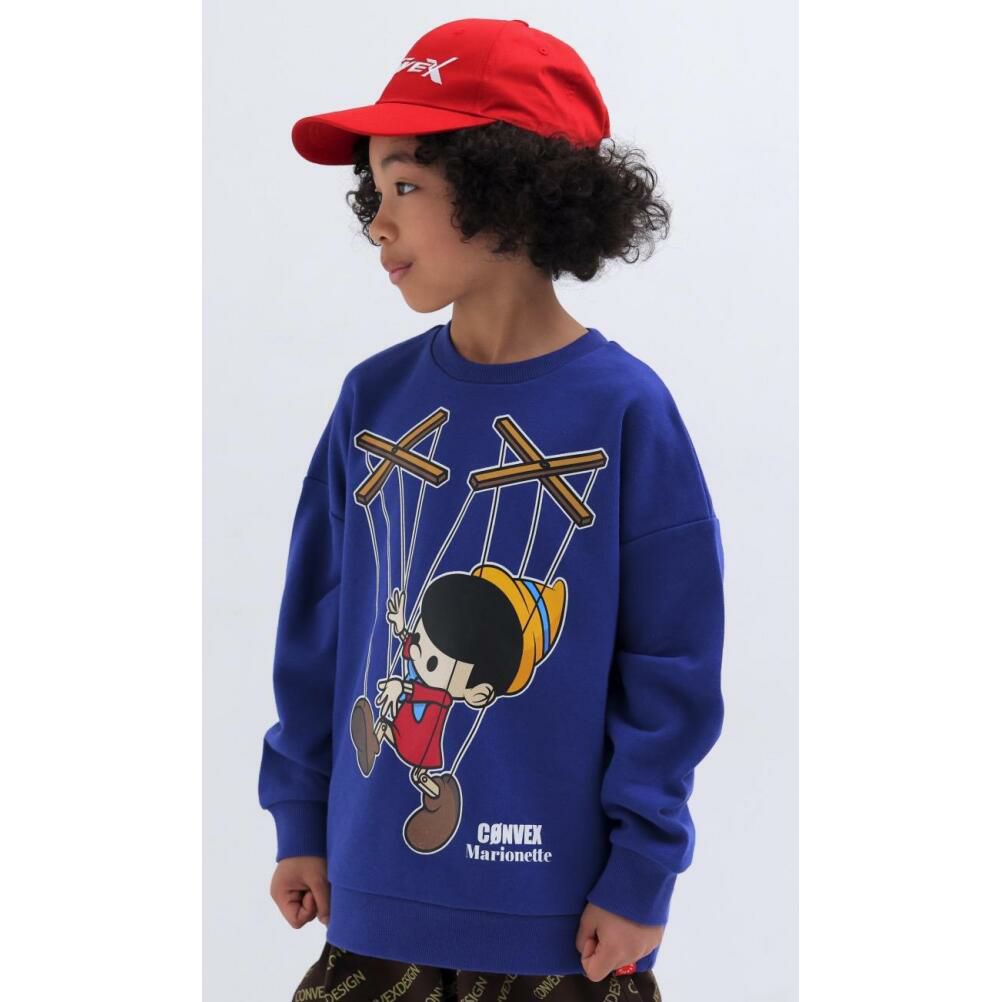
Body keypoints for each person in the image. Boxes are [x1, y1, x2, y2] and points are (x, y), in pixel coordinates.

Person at [257, 17, 726, 1002]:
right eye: (373, 192)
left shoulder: (625, 411)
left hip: (562, 930)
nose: (377, 224)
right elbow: (317, 625)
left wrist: (642, 871)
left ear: (512, 190)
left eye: (407, 187)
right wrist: (300, 817)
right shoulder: (373, 400)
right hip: (371, 905)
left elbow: (672, 664)